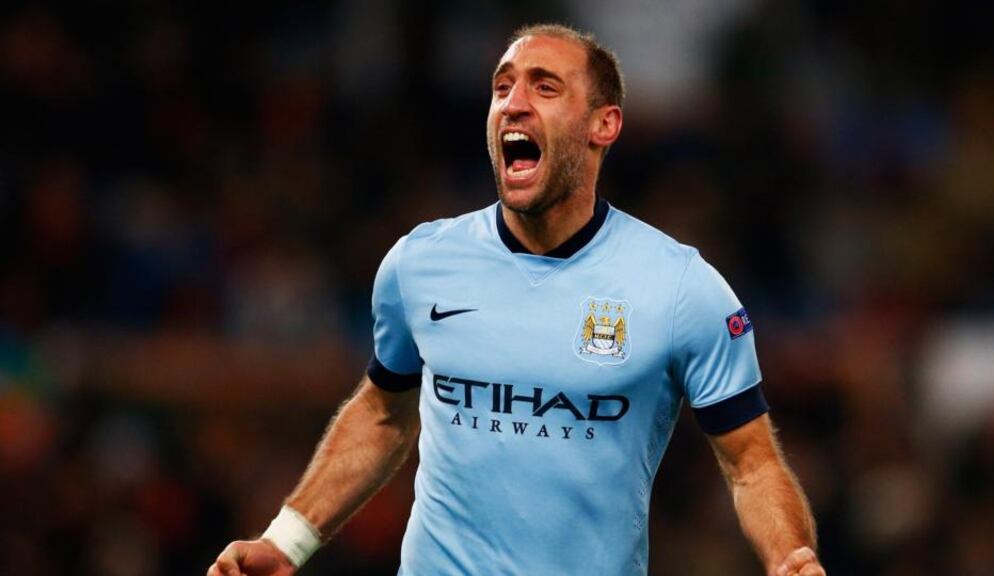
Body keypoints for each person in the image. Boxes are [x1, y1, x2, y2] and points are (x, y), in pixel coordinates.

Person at [209, 23, 825, 576]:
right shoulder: (420, 264)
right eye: (502, 87)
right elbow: (382, 413)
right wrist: (285, 542)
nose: (514, 102)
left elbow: (751, 463)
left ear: (603, 125)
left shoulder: (681, 288)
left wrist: (788, 557)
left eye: (544, 86)